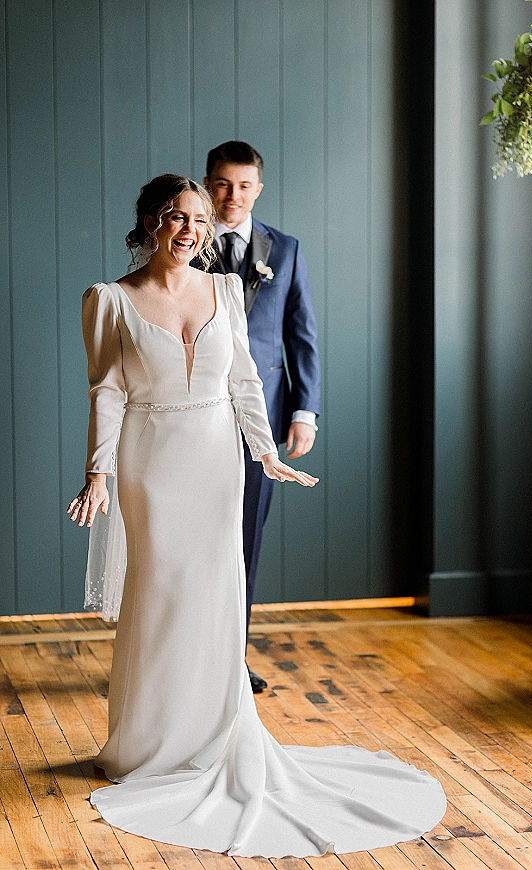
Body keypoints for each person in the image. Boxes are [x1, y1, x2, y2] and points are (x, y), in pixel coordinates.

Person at [67, 174, 445, 856]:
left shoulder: (226, 291)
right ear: (150, 222)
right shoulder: (109, 300)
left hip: (216, 462)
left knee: (216, 592)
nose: (190, 230)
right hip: (150, 465)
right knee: (161, 596)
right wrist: (97, 474)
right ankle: (148, 745)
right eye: (177, 217)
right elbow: (108, 393)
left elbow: (245, 377)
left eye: (201, 220)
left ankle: (214, 737)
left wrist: (265, 454)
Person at [201, 141, 321, 693]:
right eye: (223, 184)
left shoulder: (287, 249)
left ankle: (232, 661)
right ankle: (187, 660)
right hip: (195, 410)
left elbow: (302, 335)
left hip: (263, 418)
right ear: (208, 183)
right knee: (193, 539)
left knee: (246, 537)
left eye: (244, 185)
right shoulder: (186, 241)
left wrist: (304, 411)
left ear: (259, 189)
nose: (233, 196)